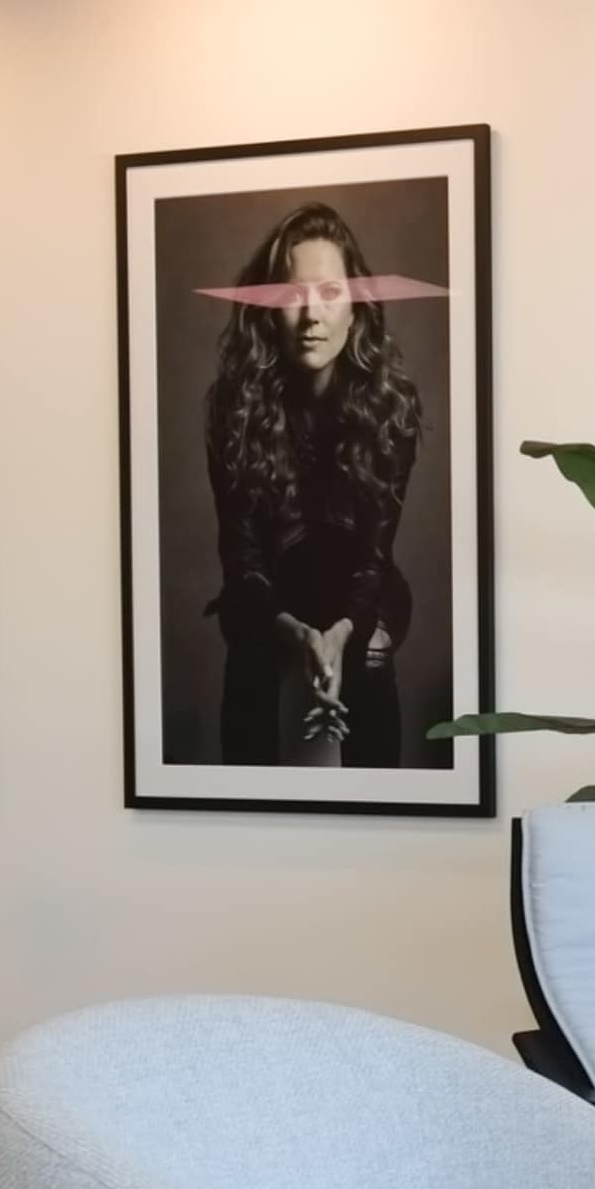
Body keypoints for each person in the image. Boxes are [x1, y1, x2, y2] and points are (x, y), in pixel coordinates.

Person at [201, 203, 428, 766]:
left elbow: (374, 556)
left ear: (356, 307)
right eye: (291, 295)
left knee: (369, 668)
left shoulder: (389, 407)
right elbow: (242, 553)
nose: (310, 316)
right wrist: (292, 632)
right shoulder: (234, 408)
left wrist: (343, 635)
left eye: (329, 292)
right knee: (254, 706)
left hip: (361, 602)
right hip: (266, 607)